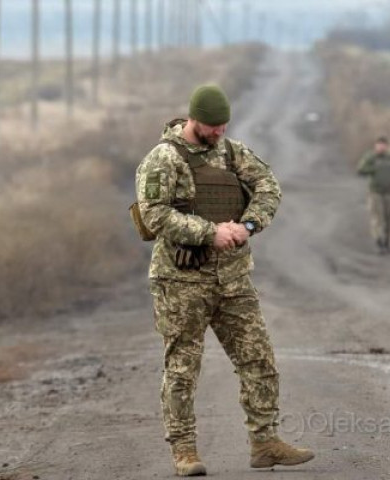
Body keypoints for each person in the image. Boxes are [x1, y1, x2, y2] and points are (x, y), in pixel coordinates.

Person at [135, 84, 314, 477]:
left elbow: (269, 187)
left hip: (233, 280)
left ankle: (265, 443)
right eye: (211, 126)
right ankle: (184, 451)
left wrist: (249, 224)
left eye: (223, 125)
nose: (218, 132)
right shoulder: (163, 159)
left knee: (259, 359)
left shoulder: (233, 153)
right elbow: (154, 215)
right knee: (182, 368)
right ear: (193, 119)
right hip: (181, 282)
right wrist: (209, 232)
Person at [357, 137, 390, 254]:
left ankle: (387, 242)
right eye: (379, 145)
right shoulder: (371, 157)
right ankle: (379, 242)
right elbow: (360, 170)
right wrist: (374, 169)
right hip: (375, 192)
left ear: (387, 146)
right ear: (375, 146)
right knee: (377, 218)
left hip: (389, 192)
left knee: (389, 218)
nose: (381, 147)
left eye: (384, 145)